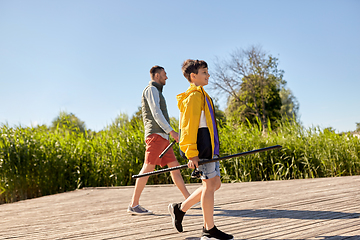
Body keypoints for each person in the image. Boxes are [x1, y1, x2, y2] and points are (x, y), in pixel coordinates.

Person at [168, 60, 233, 240]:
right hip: (201, 148)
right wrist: (192, 153)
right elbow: (188, 127)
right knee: (209, 186)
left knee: (214, 184)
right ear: (193, 76)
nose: (208, 75)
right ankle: (208, 229)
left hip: (209, 148)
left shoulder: (202, 94)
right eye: (204, 72)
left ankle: (180, 209)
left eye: (207, 72)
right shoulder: (194, 96)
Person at [128, 65, 191, 215]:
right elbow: (156, 113)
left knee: (175, 169)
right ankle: (134, 204)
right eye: (164, 74)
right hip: (155, 136)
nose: (166, 77)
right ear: (156, 76)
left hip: (162, 137)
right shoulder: (151, 90)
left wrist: (168, 134)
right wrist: (172, 132)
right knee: (147, 169)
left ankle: (189, 199)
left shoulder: (157, 91)